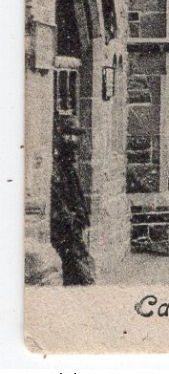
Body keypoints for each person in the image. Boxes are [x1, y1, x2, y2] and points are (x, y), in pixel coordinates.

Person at [49, 117, 94, 285]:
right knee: (77, 270)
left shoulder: (69, 163)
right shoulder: (58, 164)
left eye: (76, 135)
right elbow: (56, 195)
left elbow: (76, 193)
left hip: (73, 224)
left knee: (78, 268)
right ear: (63, 137)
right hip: (64, 227)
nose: (74, 140)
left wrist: (82, 214)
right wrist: (70, 218)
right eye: (71, 135)